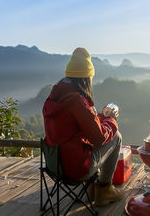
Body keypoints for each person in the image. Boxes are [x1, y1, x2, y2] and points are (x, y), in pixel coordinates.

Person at [42, 47, 124, 207]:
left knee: (92, 141)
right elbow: (99, 138)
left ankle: (92, 187)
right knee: (116, 137)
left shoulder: (54, 98)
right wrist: (111, 120)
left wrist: (100, 117)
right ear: (85, 79)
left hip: (55, 164)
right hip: (75, 169)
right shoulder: (77, 102)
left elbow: (78, 126)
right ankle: (104, 189)